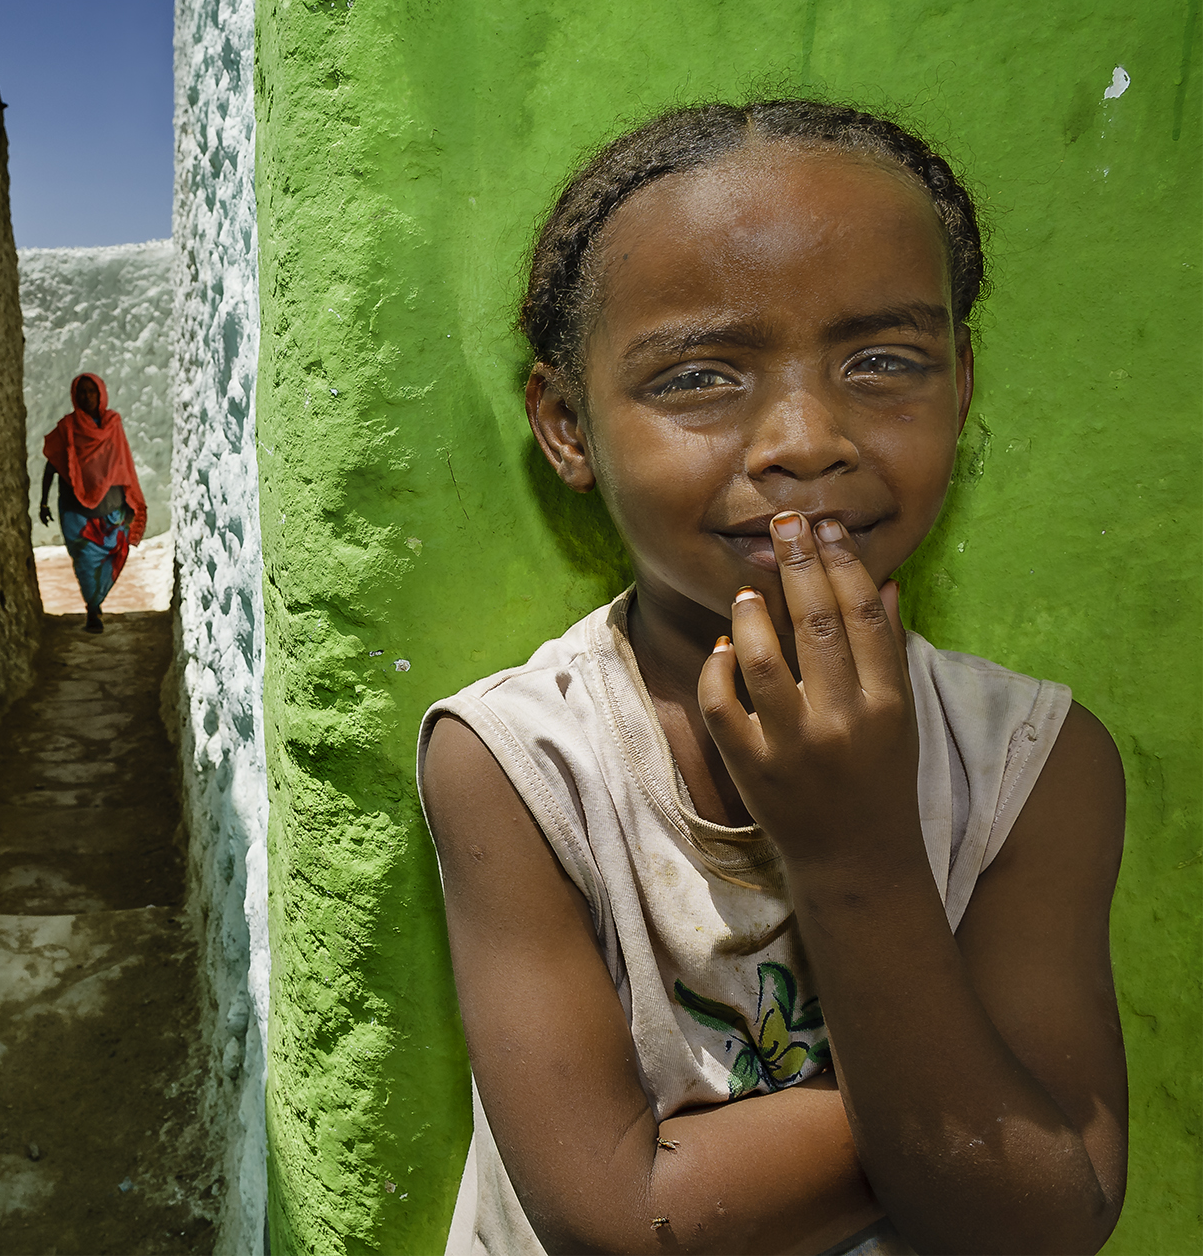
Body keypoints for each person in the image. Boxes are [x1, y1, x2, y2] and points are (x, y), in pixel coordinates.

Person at [417, 101, 1126, 1255]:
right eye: (699, 376)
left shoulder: (1034, 767)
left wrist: (858, 849)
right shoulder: (519, 761)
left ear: (960, 381)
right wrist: (969, 1124)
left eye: (885, 360)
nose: (803, 437)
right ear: (564, 424)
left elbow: (1045, 1224)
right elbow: (621, 1217)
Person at [37, 372, 148, 633]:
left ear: (101, 394)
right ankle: (92, 609)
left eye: (91, 391)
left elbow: (124, 464)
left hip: (112, 510)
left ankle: (96, 601)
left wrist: (131, 501)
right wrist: (43, 502)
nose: (86, 396)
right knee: (85, 562)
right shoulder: (67, 428)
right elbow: (52, 464)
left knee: (116, 552)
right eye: (82, 392)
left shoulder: (113, 425)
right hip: (76, 511)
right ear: (74, 396)